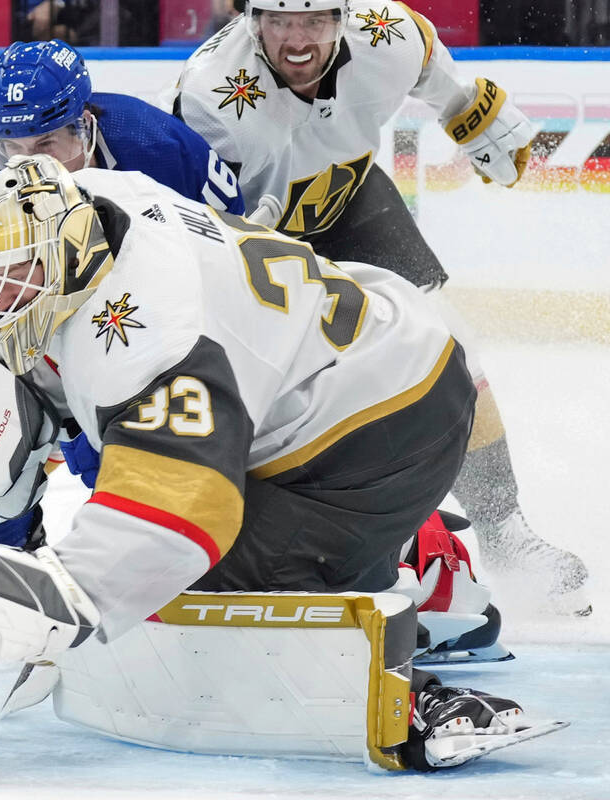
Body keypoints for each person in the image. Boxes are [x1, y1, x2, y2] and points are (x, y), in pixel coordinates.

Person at [0, 154, 562, 770]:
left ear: (66, 256)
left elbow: (181, 517)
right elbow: (60, 346)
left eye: (15, 276)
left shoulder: (155, 330)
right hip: (354, 358)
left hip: (390, 415)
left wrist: (60, 597)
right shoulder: (99, 199)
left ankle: (424, 643)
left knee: (213, 576)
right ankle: (404, 552)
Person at [171, 0, 590, 615]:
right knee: (269, 389)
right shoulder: (210, 98)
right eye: (278, 20)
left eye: (314, 19)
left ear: (344, 16)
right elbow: (193, 225)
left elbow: (436, 72)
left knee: (451, 347)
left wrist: (466, 110)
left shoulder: (387, 33)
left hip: (353, 200)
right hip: (257, 244)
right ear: (249, 18)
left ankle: (507, 532)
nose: (295, 40)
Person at [0, 39, 245, 548]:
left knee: (125, 443)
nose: (22, 169)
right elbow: (4, 302)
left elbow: (230, 251)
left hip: (158, 302)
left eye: (43, 145)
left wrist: (87, 420)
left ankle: (150, 538)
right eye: (8, 148)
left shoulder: (158, 148)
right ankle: (5, 544)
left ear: (83, 126)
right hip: (48, 293)